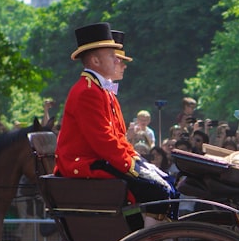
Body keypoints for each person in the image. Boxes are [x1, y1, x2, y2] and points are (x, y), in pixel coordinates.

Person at [54, 23, 176, 216]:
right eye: (112, 56)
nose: (118, 60)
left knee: (166, 184)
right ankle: (153, 236)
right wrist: (134, 167)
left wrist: (138, 161)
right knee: (156, 191)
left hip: (99, 159)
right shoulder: (88, 91)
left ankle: (155, 233)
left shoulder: (99, 90)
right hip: (86, 163)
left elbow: (117, 138)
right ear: (95, 60)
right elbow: (104, 142)